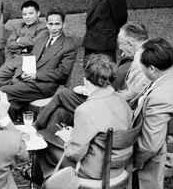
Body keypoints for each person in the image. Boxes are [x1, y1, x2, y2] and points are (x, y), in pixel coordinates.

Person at [33, 54, 132, 185]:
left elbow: (74, 154)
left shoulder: (85, 109)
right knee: (60, 115)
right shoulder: (122, 101)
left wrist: (68, 139)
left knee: (43, 140)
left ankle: (51, 182)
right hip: (118, 166)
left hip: (93, 170)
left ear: (85, 78)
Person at [34, 21, 150, 130]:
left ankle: (36, 127)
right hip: (113, 104)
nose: (119, 47)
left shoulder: (140, 63)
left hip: (111, 108)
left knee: (62, 94)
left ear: (130, 44)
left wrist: (90, 90)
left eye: (120, 43)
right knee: (60, 112)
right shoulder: (147, 56)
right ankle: (47, 144)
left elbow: (128, 95)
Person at [0, 9, 77, 112]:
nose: (53, 28)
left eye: (57, 24)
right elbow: (31, 56)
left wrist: (35, 75)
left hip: (44, 86)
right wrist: (23, 72)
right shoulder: (43, 37)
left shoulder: (68, 45)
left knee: (2, 91)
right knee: (12, 104)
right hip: (29, 81)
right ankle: (6, 123)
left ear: (63, 24)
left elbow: (62, 73)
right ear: (46, 24)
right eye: (50, 24)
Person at [132, 38, 173, 189]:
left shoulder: (160, 98)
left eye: (143, 68)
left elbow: (150, 146)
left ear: (152, 69)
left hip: (166, 154)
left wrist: (131, 162)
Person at [0, 0, 47, 87]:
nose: (27, 17)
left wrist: (19, 40)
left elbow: (37, 42)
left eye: (30, 14)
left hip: (29, 61)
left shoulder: (43, 27)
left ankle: (14, 96)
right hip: (13, 60)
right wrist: (27, 44)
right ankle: (2, 97)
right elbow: (9, 44)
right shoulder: (18, 27)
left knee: (16, 81)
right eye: (24, 14)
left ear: (38, 13)